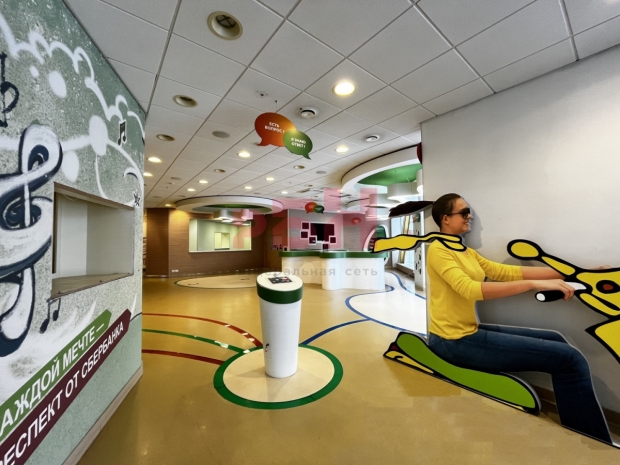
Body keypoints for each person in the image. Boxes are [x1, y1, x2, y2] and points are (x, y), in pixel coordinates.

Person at [426, 193, 612, 445]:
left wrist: (579, 273)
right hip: (451, 340)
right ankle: (593, 443)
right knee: (570, 359)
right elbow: (469, 289)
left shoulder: (466, 252)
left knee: (556, 338)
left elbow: (506, 271)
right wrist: (533, 284)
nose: (470, 216)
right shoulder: (438, 251)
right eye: (464, 212)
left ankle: (581, 427)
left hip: (468, 331)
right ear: (445, 219)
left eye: (470, 212)